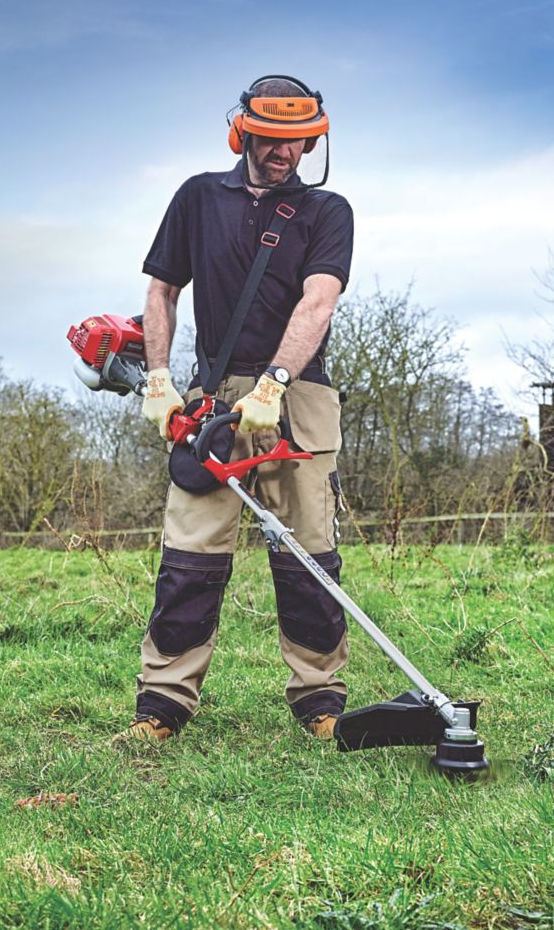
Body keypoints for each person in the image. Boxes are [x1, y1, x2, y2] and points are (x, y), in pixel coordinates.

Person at [114, 75, 354, 744]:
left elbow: (318, 302)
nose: (284, 152)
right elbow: (161, 291)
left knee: (308, 557)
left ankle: (320, 700)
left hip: (298, 399)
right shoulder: (197, 197)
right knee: (188, 557)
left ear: (312, 141)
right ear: (241, 132)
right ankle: (162, 705)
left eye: (297, 141)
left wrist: (273, 384)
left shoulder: (327, 211)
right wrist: (158, 379)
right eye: (271, 139)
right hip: (212, 401)